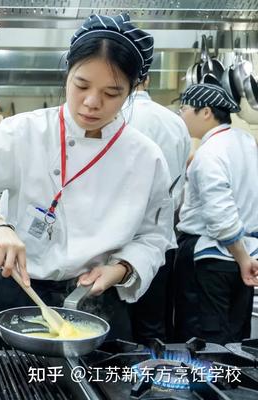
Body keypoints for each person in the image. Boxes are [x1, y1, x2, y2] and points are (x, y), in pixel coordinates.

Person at [0, 13, 175, 349]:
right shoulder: (25, 132)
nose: (92, 102)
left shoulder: (145, 156)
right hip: (20, 291)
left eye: (112, 92)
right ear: (67, 74)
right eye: (82, 85)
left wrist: (121, 269)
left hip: (98, 302)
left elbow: (154, 236)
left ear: (133, 90)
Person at [175, 83, 258, 344]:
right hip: (244, 252)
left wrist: (241, 257)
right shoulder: (244, 141)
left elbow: (220, 213)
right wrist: (244, 256)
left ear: (206, 112)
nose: (181, 115)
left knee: (203, 340)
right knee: (235, 338)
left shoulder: (210, 153)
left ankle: (207, 385)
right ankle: (232, 383)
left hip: (212, 258)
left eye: (185, 108)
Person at [122, 75, 191, 343]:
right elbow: (179, 188)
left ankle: (111, 383)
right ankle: (151, 382)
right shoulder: (176, 122)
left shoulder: (115, 118)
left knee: (116, 329)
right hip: (159, 242)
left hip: (115, 247)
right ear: (148, 79)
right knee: (152, 327)